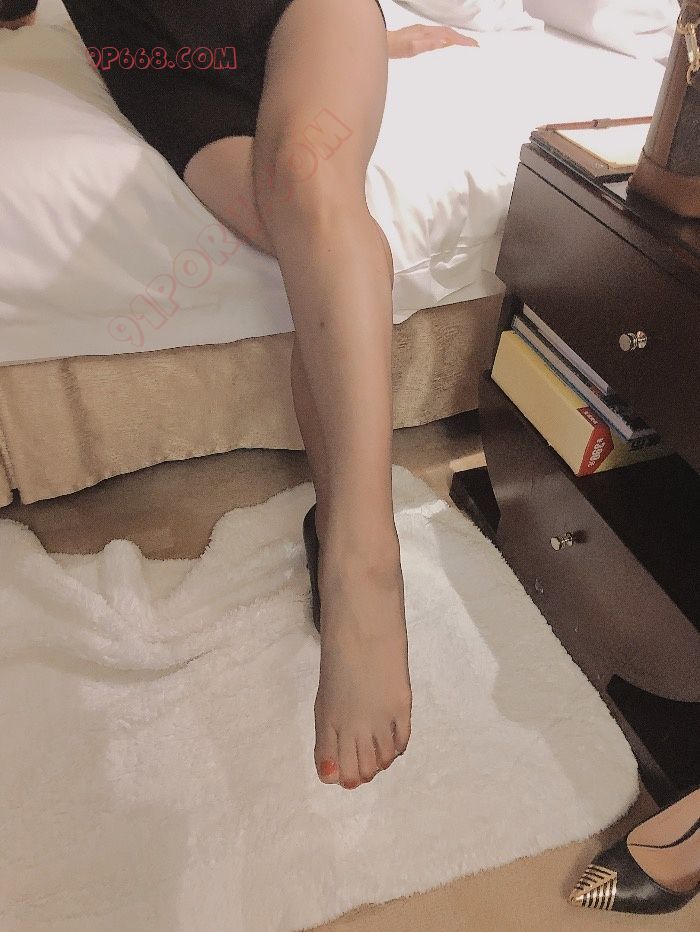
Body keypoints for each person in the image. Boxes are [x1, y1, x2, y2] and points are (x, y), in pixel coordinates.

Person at [0, 0, 478, 790]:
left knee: (310, 184)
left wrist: (372, 41)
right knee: (294, 228)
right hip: (155, 54)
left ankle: (364, 567)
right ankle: (337, 528)